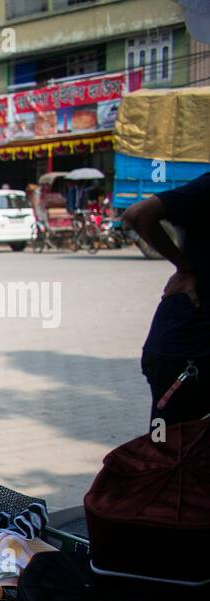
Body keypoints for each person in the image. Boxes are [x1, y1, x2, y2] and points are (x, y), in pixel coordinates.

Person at [121, 172, 210, 424]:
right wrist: (184, 268)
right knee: (167, 447)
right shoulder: (205, 188)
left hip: (188, 346)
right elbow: (136, 214)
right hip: (186, 351)